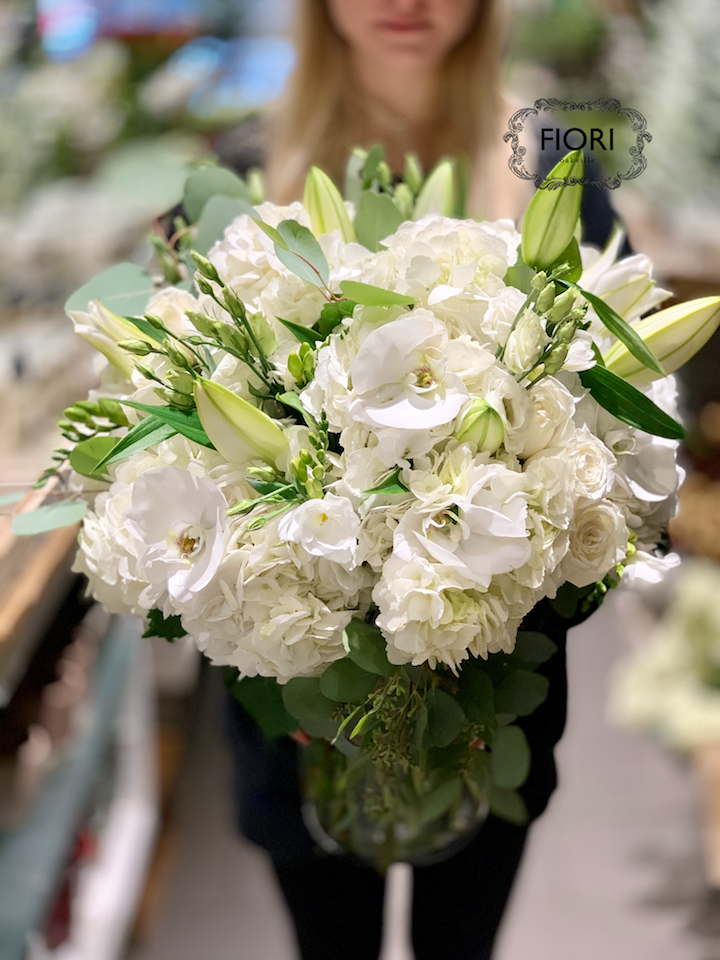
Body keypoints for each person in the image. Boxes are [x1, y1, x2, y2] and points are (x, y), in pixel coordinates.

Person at [221, 1, 621, 957]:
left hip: (494, 668)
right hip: (298, 691)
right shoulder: (244, 166)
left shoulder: (550, 159)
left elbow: (616, 423)